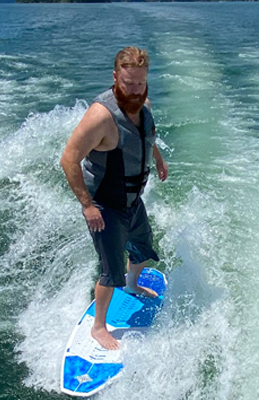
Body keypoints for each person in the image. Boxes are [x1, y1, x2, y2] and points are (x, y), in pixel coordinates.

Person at [59, 47, 169, 351]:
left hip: (133, 200)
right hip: (106, 206)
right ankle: (98, 327)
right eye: (128, 83)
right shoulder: (101, 116)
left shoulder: (142, 103)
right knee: (111, 271)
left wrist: (157, 158)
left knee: (143, 249)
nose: (134, 91)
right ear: (115, 76)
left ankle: (133, 286)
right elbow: (69, 159)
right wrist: (87, 205)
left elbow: (147, 134)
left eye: (140, 83)